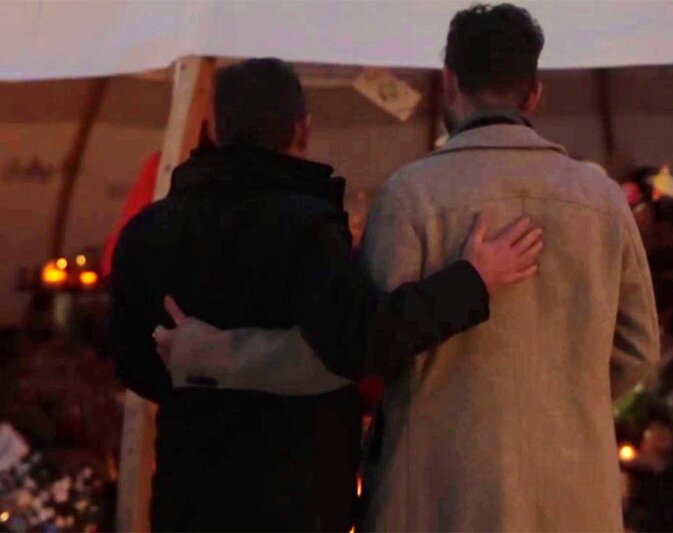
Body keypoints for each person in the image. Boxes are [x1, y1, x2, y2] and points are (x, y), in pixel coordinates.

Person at [156, 4, 659, 530]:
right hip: (575, 501)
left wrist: (210, 351)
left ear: (449, 82)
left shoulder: (412, 196)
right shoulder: (603, 200)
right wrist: (562, 408)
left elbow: (348, 350)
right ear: (533, 95)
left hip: (440, 499)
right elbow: (638, 350)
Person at [109, 58, 542, 532]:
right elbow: (362, 342)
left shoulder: (146, 234)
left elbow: (134, 364)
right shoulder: (306, 231)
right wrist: (472, 281)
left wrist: (203, 375)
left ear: (213, 128)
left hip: (188, 496)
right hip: (296, 499)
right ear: (303, 128)